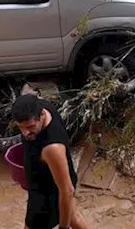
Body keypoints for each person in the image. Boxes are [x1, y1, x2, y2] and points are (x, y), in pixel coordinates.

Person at [13, 94, 88, 229]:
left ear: (41, 115)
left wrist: (63, 228)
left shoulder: (52, 148)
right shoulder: (43, 107)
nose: (25, 133)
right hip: (60, 174)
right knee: (74, 217)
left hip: (47, 196)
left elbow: (67, 191)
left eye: (30, 127)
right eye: (21, 127)